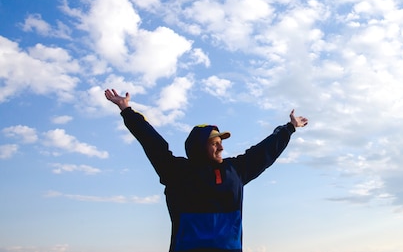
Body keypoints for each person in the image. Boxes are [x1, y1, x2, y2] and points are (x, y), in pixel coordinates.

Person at [104, 88, 308, 252]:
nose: (221, 147)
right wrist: (126, 110)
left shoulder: (235, 170)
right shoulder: (176, 171)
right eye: (215, 143)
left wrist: (289, 128)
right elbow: (151, 141)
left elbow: (263, 152)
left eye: (221, 142)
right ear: (199, 146)